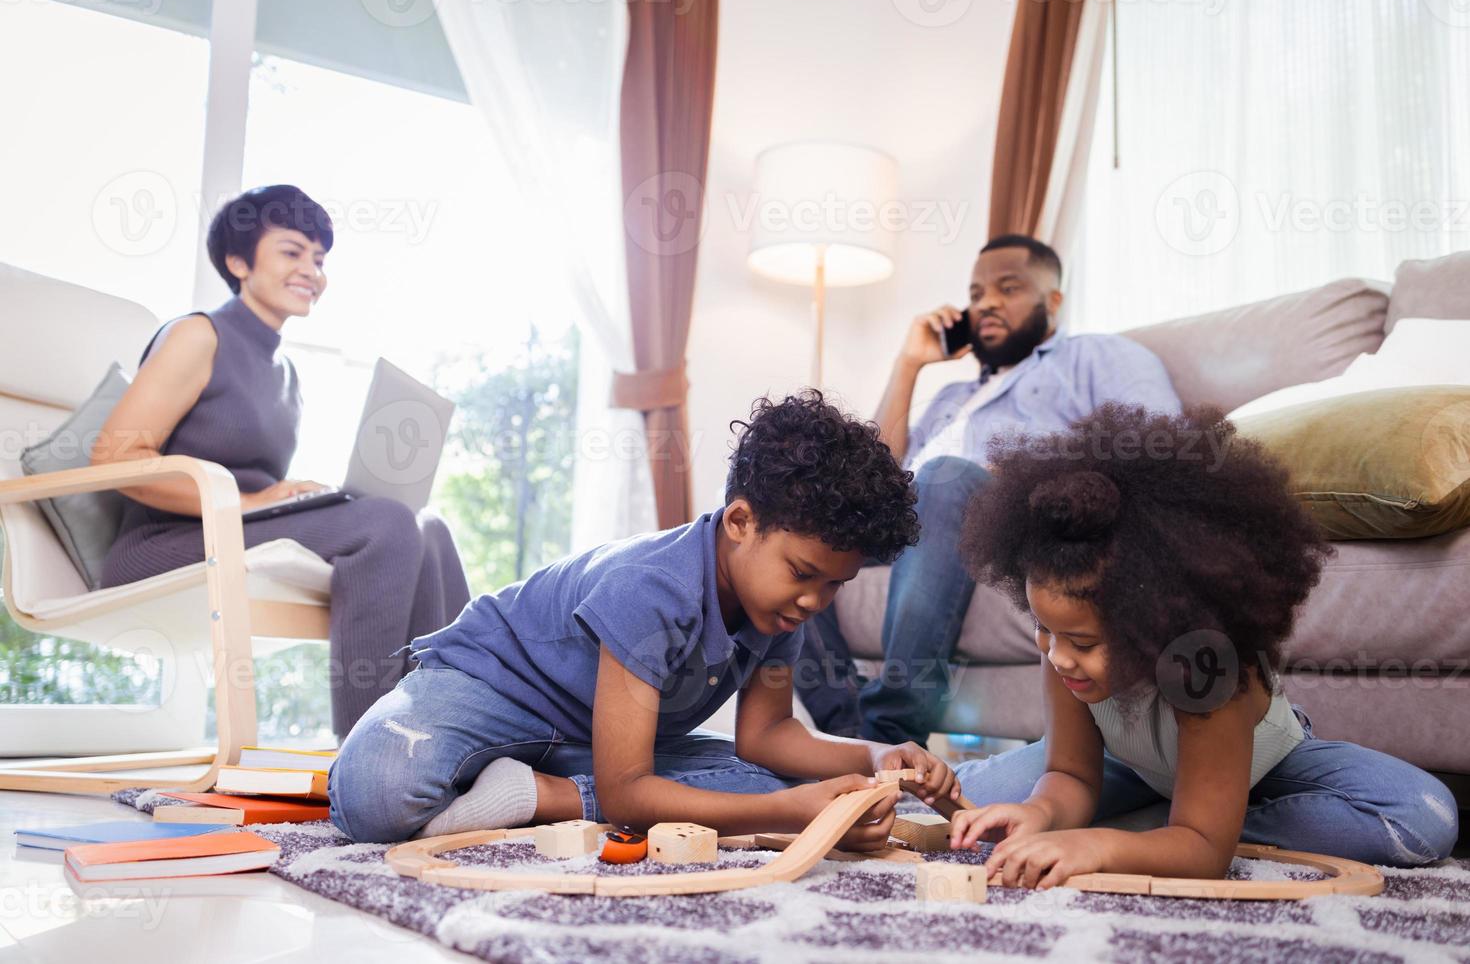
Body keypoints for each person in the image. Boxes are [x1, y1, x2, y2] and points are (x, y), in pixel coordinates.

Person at [328, 391, 961, 845]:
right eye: (803, 574)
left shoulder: (779, 611)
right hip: (487, 689)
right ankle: (544, 785)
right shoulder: (652, 587)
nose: (814, 602)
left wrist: (877, 755)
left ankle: (542, 792)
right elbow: (629, 793)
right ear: (739, 522)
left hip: (594, 740)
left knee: (768, 778)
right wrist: (788, 811)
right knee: (376, 798)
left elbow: (767, 737)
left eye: (834, 585)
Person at [947, 404, 1459, 885]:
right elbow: (1069, 775)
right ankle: (1165, 822)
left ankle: (1164, 827)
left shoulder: (1207, 669)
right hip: (1134, 771)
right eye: (1044, 630)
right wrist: (1039, 813)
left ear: (1157, 623)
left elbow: (1206, 857)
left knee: (1420, 816)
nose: (1057, 654)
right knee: (976, 805)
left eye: (1080, 641)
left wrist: (1100, 847)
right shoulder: (1063, 649)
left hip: (1267, 772)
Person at [94, 185, 471, 739]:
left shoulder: (286, 373)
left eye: (319, 259)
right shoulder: (200, 335)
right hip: (162, 546)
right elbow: (115, 458)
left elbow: (258, 483)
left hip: (237, 530)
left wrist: (297, 497)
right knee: (388, 524)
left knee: (429, 528)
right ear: (238, 262)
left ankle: (446, 730)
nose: (312, 271)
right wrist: (247, 500)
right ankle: (370, 751)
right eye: (292, 252)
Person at [796, 234, 1182, 745]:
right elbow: (875, 476)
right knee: (790, 521)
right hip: (914, 519)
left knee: (945, 477)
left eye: (1008, 288)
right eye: (976, 294)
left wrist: (1026, 473)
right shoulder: (956, 395)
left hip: (1008, 517)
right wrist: (907, 365)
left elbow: (1160, 441)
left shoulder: (1095, 357)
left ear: (1054, 302)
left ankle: (890, 733)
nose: (987, 304)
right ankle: (847, 736)